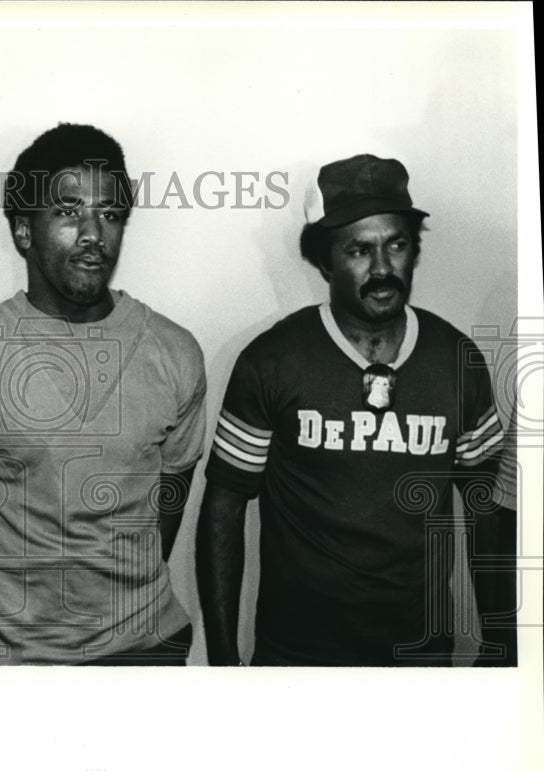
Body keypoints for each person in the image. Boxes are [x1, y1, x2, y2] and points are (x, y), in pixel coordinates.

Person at [0, 123, 207, 664]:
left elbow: (168, 505)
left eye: (111, 214)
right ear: (24, 230)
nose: (94, 233)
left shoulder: (175, 351)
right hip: (15, 660)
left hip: (147, 651)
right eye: (69, 212)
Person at [196, 153, 504, 666]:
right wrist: (225, 659)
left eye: (396, 245)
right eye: (359, 250)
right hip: (297, 659)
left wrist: (500, 641)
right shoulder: (272, 360)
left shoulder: (457, 360)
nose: (382, 268)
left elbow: (485, 509)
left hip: (418, 659)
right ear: (325, 260)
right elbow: (224, 507)